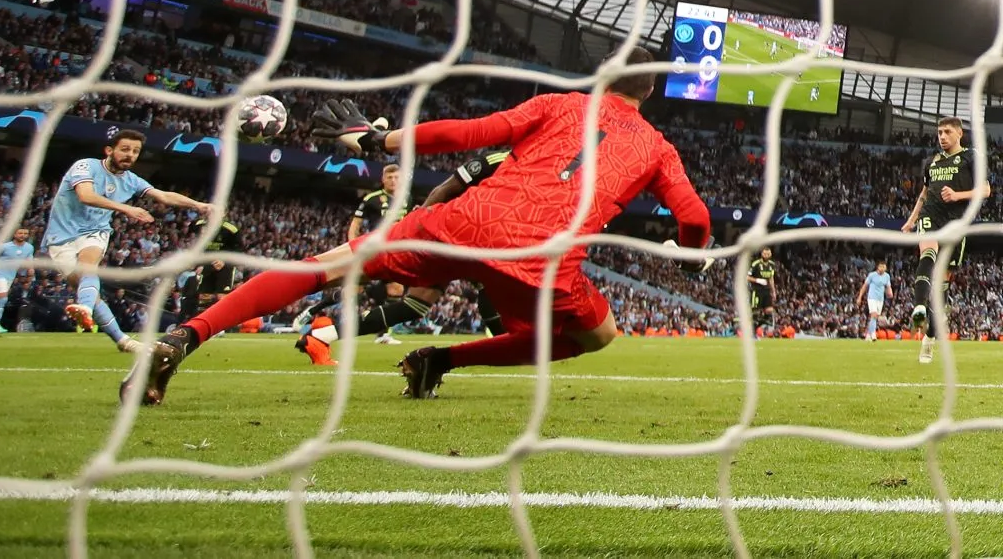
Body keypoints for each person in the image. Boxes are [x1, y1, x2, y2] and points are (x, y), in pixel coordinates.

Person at [121, 47, 713, 405]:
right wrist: (690, 250)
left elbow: (469, 134)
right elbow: (694, 219)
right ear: (653, 89)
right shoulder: (659, 149)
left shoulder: (561, 105)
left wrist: (381, 140)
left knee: (323, 267)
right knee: (595, 337)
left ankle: (183, 337)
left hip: (464, 218)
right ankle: (443, 360)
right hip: (542, 255)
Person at [294, 152, 510, 365]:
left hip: (453, 236)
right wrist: (419, 221)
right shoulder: (499, 160)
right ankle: (505, 345)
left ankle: (322, 336)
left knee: (414, 305)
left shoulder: (405, 197)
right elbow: (445, 188)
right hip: (444, 232)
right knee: (488, 282)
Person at [42, 129, 213, 352]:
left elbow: (162, 195)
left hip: (95, 231)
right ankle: (122, 341)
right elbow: (86, 195)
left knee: (88, 269)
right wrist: (125, 208)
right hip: (61, 235)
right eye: (125, 150)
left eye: (135, 151)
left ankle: (84, 308)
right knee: (86, 287)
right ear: (109, 150)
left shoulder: (131, 180)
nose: (130, 155)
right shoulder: (85, 166)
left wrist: (199, 205)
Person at [901, 116, 989, 364]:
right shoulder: (933, 162)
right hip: (930, 216)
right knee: (927, 251)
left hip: (956, 221)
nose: (941, 136)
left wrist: (957, 195)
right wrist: (911, 220)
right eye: (939, 132)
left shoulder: (972, 157)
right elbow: (924, 194)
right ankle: (919, 307)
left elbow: (985, 190)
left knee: (941, 290)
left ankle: (929, 338)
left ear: (959, 134)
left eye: (947, 132)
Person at [347, 163, 410, 344]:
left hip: (394, 253)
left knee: (396, 289)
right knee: (354, 288)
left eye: (396, 177)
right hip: (373, 251)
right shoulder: (372, 198)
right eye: (389, 177)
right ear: (382, 179)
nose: (393, 180)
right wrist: (353, 247)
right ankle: (319, 314)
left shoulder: (407, 198)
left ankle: (382, 334)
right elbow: (355, 225)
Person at [0, 228, 34, 333]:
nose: (23, 235)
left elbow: (29, 260)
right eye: (20, 233)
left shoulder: (29, 247)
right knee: (2, 299)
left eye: (25, 233)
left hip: (10, 276)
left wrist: (30, 269)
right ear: (15, 234)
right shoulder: (5, 247)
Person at [855, 261, 892, 342]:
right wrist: (860, 297)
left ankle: (868, 334)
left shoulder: (887, 276)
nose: (883, 268)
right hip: (872, 297)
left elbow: (888, 286)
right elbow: (865, 286)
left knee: (875, 318)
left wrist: (890, 292)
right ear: (878, 267)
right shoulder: (872, 275)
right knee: (874, 315)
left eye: (884, 267)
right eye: (881, 266)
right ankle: (873, 334)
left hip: (880, 299)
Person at [747, 247, 777, 333]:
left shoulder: (772, 264)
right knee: (756, 313)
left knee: (769, 312)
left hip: (767, 291)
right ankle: (751, 332)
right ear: (761, 254)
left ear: (770, 254)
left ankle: (754, 329)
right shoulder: (756, 264)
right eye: (765, 254)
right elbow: (747, 277)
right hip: (757, 290)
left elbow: (771, 278)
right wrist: (757, 280)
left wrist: (773, 291)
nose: (766, 255)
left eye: (768, 254)